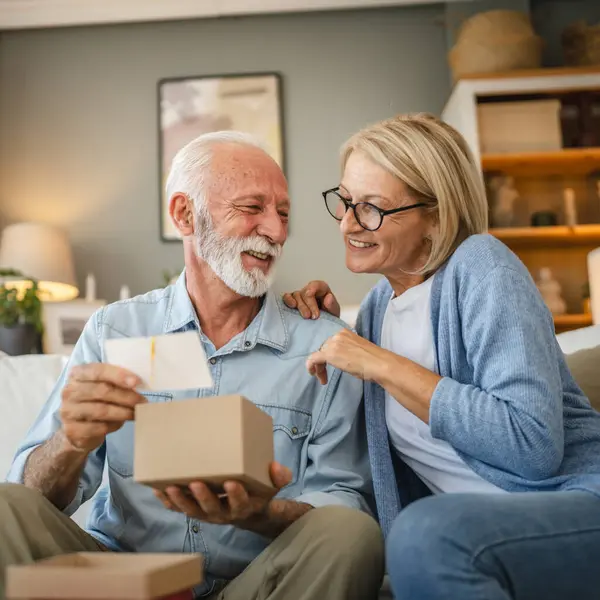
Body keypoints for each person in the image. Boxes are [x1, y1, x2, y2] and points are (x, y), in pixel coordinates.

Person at [1, 131, 384, 600]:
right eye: (252, 208)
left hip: (253, 584)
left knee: (351, 534)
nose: (277, 231)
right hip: (120, 582)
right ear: (185, 214)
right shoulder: (115, 329)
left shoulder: (324, 345)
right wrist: (69, 443)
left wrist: (258, 513)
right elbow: (33, 498)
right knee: (6, 507)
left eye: (283, 213)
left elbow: (341, 504)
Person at [284, 113, 600, 600]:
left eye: (371, 208)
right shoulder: (374, 311)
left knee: (427, 532)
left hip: (574, 505)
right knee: (421, 534)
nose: (348, 223)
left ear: (435, 215)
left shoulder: (482, 265)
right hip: (477, 537)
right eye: (345, 201)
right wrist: (325, 326)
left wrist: (379, 362)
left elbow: (532, 446)